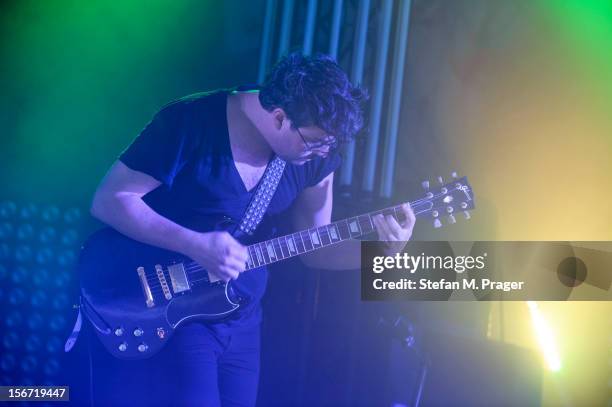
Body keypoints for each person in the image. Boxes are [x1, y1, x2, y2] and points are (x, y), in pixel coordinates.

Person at [88, 52, 415, 406]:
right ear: (279, 117)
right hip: (175, 309)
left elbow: (317, 249)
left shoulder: (315, 159)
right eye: (315, 142)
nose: (322, 154)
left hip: (242, 321)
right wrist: (195, 244)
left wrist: (382, 252)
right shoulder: (191, 122)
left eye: (330, 146)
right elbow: (109, 199)